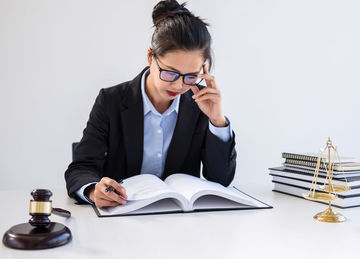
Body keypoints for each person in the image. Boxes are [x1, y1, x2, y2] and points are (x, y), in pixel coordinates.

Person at [65, 0, 237, 208]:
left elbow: (221, 181)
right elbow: (81, 167)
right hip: (120, 218)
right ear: (150, 57)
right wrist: (93, 190)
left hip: (180, 220)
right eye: (170, 72)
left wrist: (217, 121)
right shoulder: (111, 101)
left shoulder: (200, 102)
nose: (179, 84)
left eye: (191, 76)